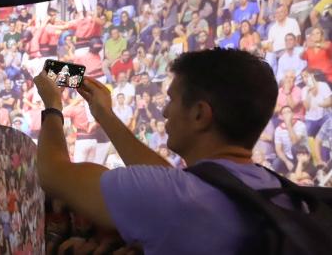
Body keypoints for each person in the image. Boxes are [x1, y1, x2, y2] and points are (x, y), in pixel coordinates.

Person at [33, 48, 293, 254]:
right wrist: (105, 115)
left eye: (172, 100)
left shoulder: (173, 198)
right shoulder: (276, 190)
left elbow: (53, 173)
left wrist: (53, 105)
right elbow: (167, 178)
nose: (165, 111)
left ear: (200, 114)